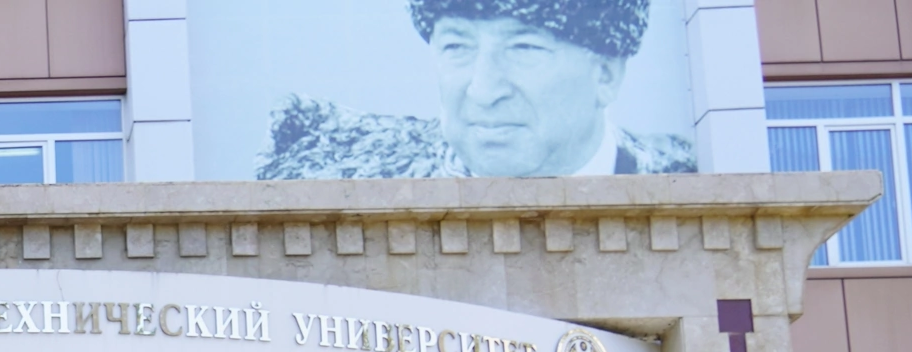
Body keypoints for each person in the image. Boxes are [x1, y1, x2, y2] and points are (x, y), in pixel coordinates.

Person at [257, 0, 694, 180]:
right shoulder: (323, 173)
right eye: (457, 46)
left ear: (606, 75)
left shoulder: (685, 180)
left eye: (524, 48)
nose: (483, 90)